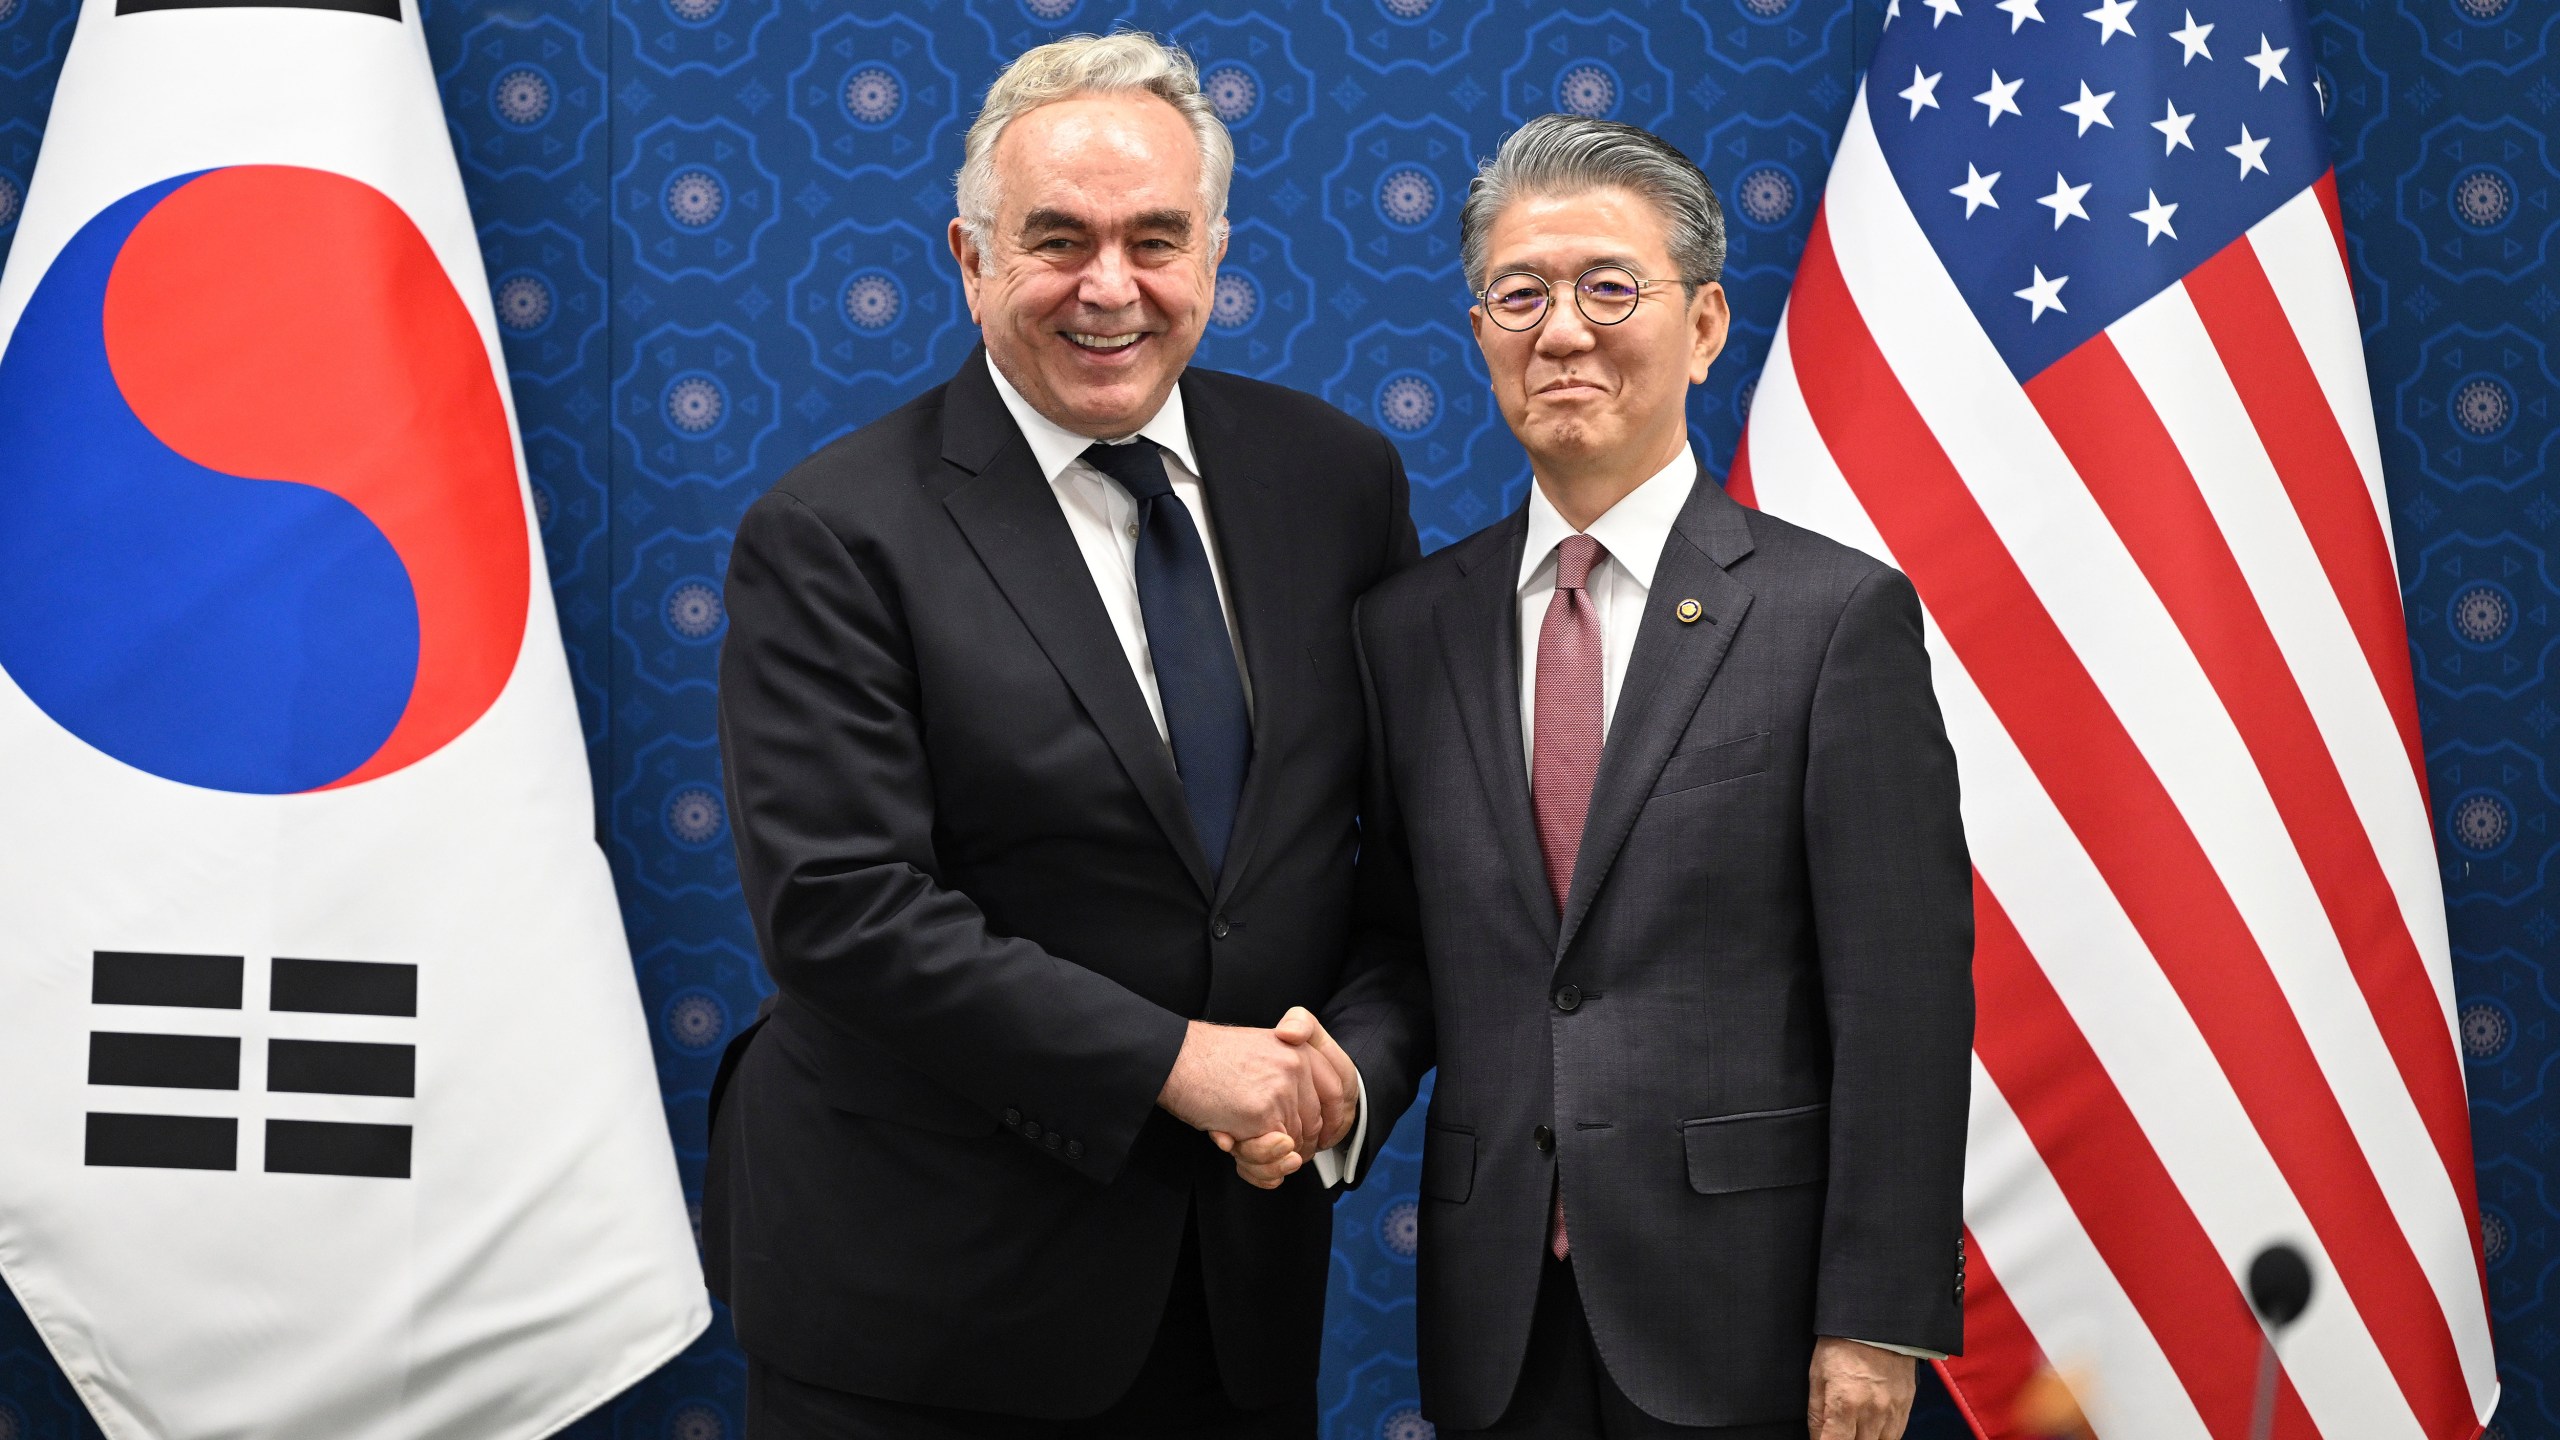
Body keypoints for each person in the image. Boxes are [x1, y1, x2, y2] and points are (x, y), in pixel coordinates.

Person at [704, 31, 1427, 1439]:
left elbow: (1406, 865)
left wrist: (1344, 1074)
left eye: (1156, 238)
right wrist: (1180, 1063)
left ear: (1215, 253)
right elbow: (840, 911)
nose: (1111, 288)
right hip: (924, 1304)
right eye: (1058, 241)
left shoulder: (1335, 480)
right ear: (970, 259)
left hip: (1236, 1291)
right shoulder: (835, 532)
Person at [1325, 114, 1974, 1438]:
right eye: (1521, 293)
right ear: (1480, 331)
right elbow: (1405, 947)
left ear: (1706, 323)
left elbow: (1902, 1003)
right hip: (1497, 1315)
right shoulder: (1406, 632)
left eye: (1609, 287)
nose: (1562, 331)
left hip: (1753, 1316)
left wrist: (1876, 1314)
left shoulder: (1831, 619)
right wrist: (1335, 1081)